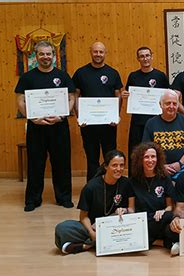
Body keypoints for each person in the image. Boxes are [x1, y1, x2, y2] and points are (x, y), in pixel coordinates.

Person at [15, 40, 75, 212]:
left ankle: (64, 197)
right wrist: (32, 118)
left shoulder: (63, 76)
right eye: (42, 54)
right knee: (35, 164)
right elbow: (20, 101)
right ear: (36, 55)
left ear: (53, 56)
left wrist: (62, 115)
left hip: (59, 127)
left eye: (48, 54)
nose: (45, 57)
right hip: (36, 127)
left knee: (62, 163)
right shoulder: (27, 77)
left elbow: (71, 98)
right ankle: (32, 200)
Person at [54, 150, 134, 254]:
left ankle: (87, 246)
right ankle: (99, 242)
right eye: (114, 165)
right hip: (94, 226)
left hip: (117, 227)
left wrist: (125, 210)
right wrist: (91, 233)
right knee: (62, 228)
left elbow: (132, 210)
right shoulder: (91, 187)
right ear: (106, 166)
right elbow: (83, 217)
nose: (119, 169)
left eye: (122, 165)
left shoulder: (127, 183)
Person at [72, 41, 123, 181]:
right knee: (92, 159)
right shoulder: (81, 73)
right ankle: (92, 189)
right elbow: (75, 96)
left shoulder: (112, 73)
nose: (98, 54)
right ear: (90, 52)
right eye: (95, 51)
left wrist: (116, 116)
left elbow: (118, 95)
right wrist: (79, 117)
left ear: (105, 53)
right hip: (88, 125)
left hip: (109, 125)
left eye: (101, 52)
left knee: (111, 158)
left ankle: (112, 186)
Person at [122, 46, 169, 176]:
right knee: (136, 152)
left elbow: (166, 95)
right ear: (138, 59)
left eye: (147, 55)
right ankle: (134, 181)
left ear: (152, 57)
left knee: (156, 153)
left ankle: (158, 178)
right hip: (138, 121)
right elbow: (129, 94)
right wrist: (125, 95)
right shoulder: (133, 76)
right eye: (142, 56)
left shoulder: (160, 76)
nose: (145, 58)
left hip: (156, 122)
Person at [142, 89, 184, 180]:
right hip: (157, 169)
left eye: (174, 104)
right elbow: (146, 149)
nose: (171, 106)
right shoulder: (151, 123)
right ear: (161, 104)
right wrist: (160, 166)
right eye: (168, 103)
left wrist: (180, 164)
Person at [130, 142, 175, 248]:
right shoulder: (133, 181)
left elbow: (170, 206)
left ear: (158, 158)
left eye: (153, 157)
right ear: (140, 160)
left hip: (158, 219)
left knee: (169, 217)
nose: (150, 160)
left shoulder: (165, 178)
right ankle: (159, 242)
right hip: (142, 221)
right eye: (146, 157)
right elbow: (131, 209)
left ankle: (148, 241)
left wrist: (163, 211)